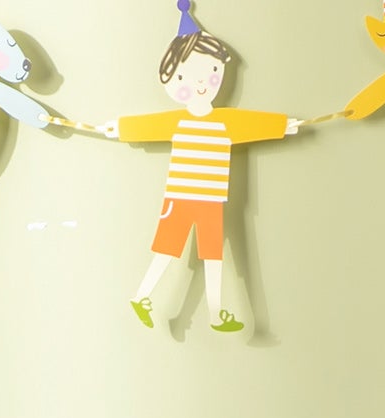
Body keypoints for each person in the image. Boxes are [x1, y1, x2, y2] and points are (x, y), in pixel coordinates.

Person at [105, 2, 300, 333]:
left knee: (213, 256)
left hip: (210, 200)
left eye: (210, 72)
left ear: (219, 71)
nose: (200, 84)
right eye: (185, 76)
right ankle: (143, 295)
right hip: (181, 198)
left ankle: (213, 313)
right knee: (167, 252)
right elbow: (146, 127)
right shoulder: (178, 121)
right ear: (170, 79)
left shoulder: (225, 121)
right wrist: (119, 128)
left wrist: (284, 125)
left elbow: (255, 123)